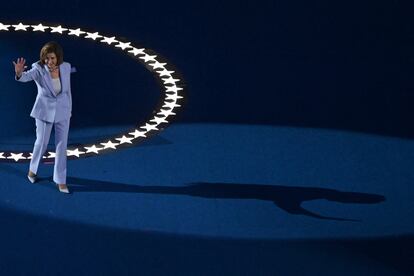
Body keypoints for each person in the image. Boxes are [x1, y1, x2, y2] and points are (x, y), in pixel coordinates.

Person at [13, 41, 72, 194]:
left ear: (58, 57)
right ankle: (33, 170)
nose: (49, 62)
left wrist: (69, 110)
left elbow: (67, 91)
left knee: (61, 146)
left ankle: (61, 180)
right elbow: (25, 77)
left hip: (63, 112)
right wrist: (19, 73)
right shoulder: (38, 69)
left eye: (52, 58)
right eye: (46, 58)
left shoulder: (65, 67)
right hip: (44, 112)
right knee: (42, 143)